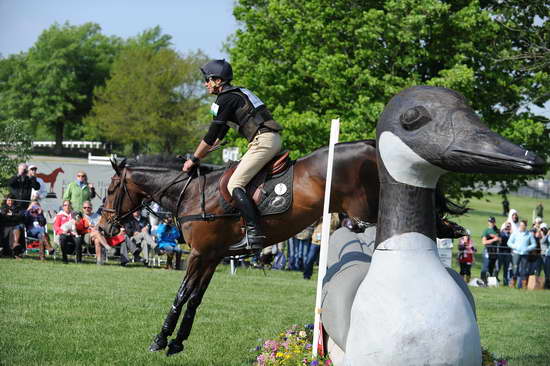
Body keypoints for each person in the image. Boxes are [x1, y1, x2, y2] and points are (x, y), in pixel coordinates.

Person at [181, 59, 284, 250]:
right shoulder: (236, 94)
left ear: (218, 81)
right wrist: (205, 151)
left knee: (234, 184)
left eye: (207, 80)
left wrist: (193, 159)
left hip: (263, 141)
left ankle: (255, 232)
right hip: (268, 139)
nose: (205, 84)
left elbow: (211, 135)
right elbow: (220, 134)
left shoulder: (225, 98)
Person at [507, 220, 537, 289]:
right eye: (520, 225)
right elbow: (509, 243)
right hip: (516, 253)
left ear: (525, 226)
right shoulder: (515, 233)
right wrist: (515, 247)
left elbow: (534, 244)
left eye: (523, 225)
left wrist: (527, 248)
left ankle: (524, 285)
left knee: (524, 269)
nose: (521, 227)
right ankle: (513, 283)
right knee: (515, 268)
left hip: (525, 254)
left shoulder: (529, 234)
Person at [481, 217, 501, 284]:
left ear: (494, 222)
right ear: (488, 222)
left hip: (495, 251)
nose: (491, 223)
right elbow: (484, 242)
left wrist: (497, 238)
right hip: (487, 250)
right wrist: (493, 239)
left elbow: (500, 240)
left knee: (492, 268)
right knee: (485, 267)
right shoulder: (486, 231)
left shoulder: (497, 230)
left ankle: (489, 282)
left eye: (492, 222)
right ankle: (483, 280)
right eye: (490, 222)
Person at [497, 222, 513, 286]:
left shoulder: (511, 235)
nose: (507, 228)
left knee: (506, 268)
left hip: (508, 253)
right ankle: (495, 279)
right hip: (501, 253)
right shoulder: (500, 234)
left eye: (509, 227)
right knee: (498, 267)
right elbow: (499, 242)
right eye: (507, 226)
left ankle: (505, 282)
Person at [540, 223, 550, 289]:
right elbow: (542, 241)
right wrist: (548, 234)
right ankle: (546, 285)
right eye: (542, 229)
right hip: (544, 256)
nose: (543, 230)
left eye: (544, 229)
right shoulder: (541, 236)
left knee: (548, 271)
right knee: (546, 271)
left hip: (548, 255)